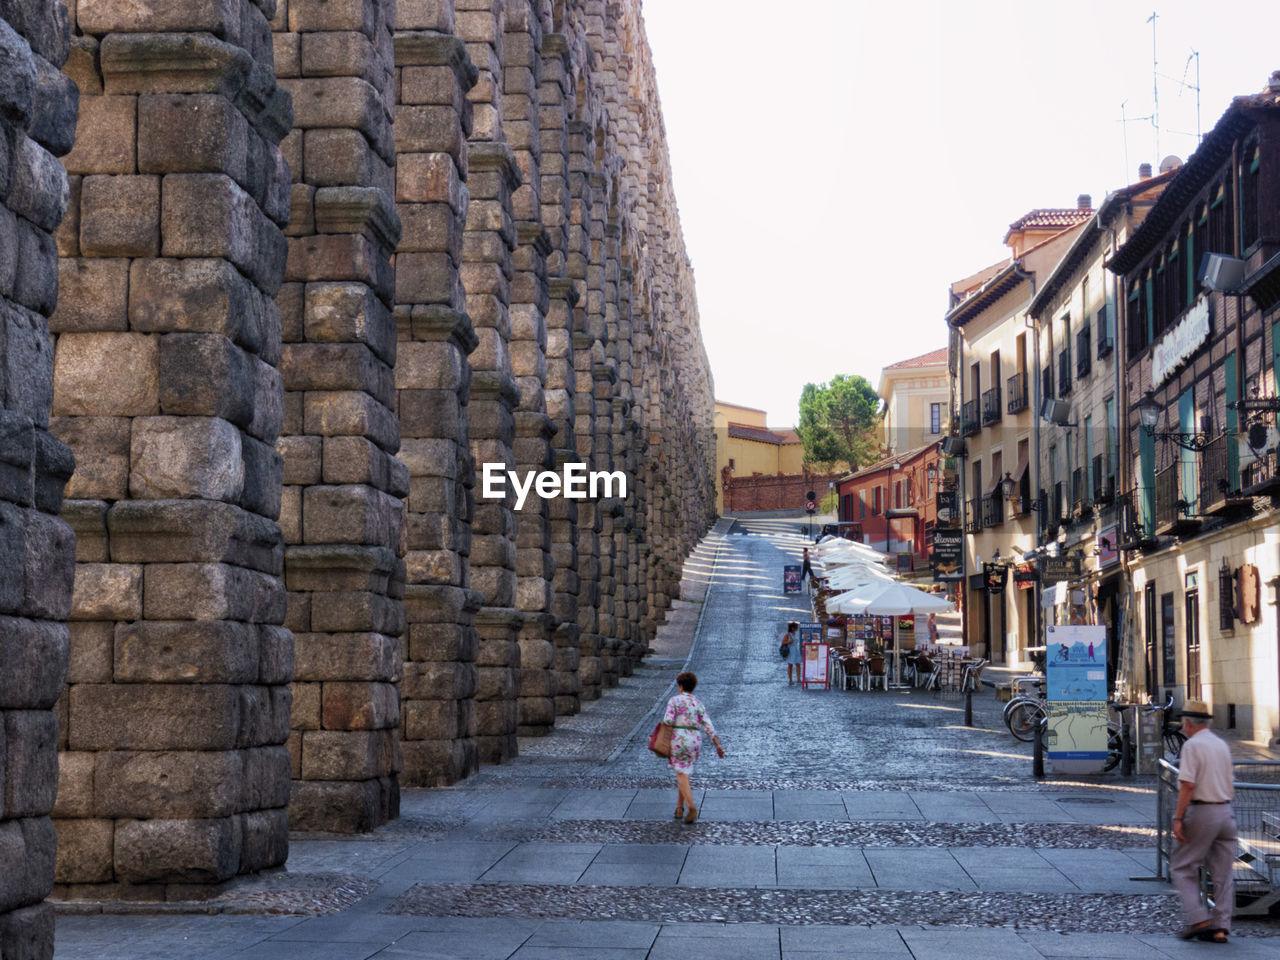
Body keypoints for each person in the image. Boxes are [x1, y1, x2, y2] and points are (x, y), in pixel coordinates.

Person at [1170, 699, 1235, 944]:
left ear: (1188, 723)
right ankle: (1220, 927)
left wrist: (1178, 818)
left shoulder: (1193, 746)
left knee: (1182, 866)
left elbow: (1187, 784)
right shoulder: (1221, 745)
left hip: (1203, 811)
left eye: (1183, 724)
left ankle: (1198, 919)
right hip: (1226, 811)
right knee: (1223, 874)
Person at [663, 671, 723, 824]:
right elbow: (708, 724)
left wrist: (659, 737)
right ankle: (679, 808)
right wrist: (717, 744)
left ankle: (691, 807)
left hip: (679, 739)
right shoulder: (697, 702)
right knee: (684, 773)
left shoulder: (674, 700)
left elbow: (668, 721)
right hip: (695, 740)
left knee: (681, 774)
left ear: (681, 686)